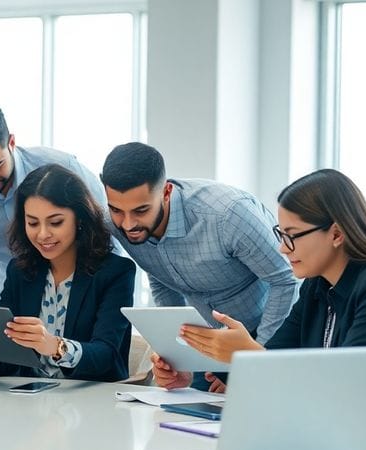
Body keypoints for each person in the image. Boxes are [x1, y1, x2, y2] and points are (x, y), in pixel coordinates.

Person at [153, 169, 366, 427]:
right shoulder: (317, 287)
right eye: (280, 233)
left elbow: (348, 386)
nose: (283, 248)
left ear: (336, 234)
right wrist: (191, 370)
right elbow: (276, 367)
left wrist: (247, 355)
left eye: (292, 235)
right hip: (346, 441)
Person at [101, 142, 298, 390]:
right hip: (205, 351)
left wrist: (253, 360)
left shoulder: (229, 215)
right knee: (177, 421)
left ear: (166, 192)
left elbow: (285, 280)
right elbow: (161, 276)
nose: (128, 224)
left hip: (264, 340)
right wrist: (177, 357)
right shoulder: (114, 223)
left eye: (141, 210)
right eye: (117, 210)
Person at [0, 164, 135, 382]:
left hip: (93, 402)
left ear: (79, 219)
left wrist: (55, 346)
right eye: (33, 223)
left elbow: (107, 355)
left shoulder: (116, 273)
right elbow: (8, 351)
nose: (43, 234)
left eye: (56, 222)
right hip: (30, 403)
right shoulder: (19, 272)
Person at [0, 104, 108, 306]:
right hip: (4, 294)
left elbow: (105, 232)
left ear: (12, 142)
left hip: (75, 289)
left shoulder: (64, 167)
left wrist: (102, 295)